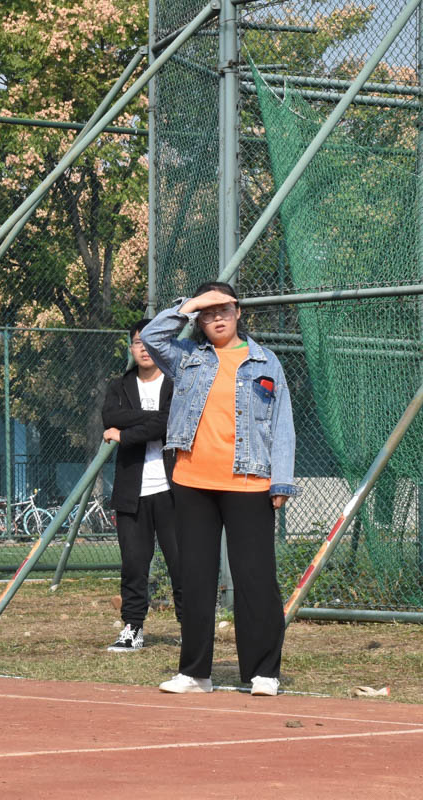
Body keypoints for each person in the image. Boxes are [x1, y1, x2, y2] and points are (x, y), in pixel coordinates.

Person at [141, 282, 297, 697]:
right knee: (195, 579)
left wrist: (281, 480)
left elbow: (282, 424)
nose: (216, 318)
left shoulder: (265, 361)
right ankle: (196, 673)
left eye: (223, 309)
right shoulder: (186, 357)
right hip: (192, 484)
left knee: (255, 579)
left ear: (238, 311)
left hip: (250, 482)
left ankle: (263, 673)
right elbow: (152, 336)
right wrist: (189, 305)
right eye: (208, 313)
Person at [101, 319, 183, 651]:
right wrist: (156, 419)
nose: (144, 348)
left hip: (173, 489)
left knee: (182, 564)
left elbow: (172, 420)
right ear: (131, 348)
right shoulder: (118, 386)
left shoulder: (176, 383)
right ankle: (133, 628)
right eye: (138, 342)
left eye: (151, 341)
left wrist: (126, 434)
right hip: (132, 491)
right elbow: (111, 418)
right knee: (134, 565)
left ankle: (191, 628)